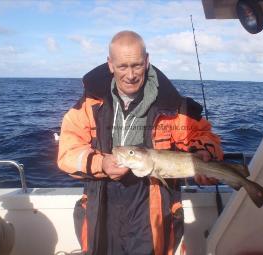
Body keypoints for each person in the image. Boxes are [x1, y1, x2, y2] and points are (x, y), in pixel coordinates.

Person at [58, 31, 223, 255]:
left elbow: (205, 136)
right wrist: (101, 164)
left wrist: (204, 153)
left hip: (153, 208)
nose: (130, 75)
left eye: (136, 65)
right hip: (103, 207)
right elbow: (68, 152)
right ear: (110, 64)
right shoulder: (88, 105)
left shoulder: (173, 106)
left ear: (146, 61)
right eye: (122, 66)